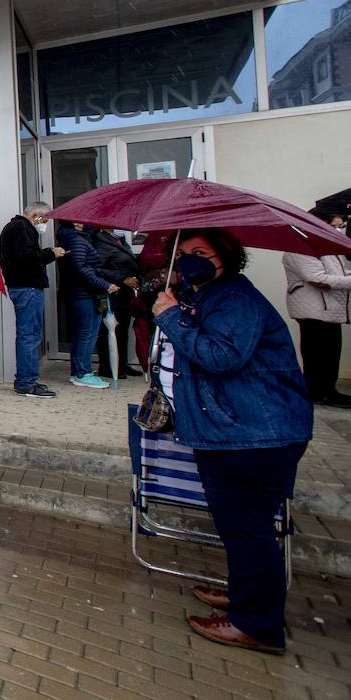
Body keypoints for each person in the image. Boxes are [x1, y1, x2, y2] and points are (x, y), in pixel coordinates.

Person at [151, 229, 313, 655]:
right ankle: (246, 596)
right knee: (239, 527)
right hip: (236, 429)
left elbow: (222, 357)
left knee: (248, 530)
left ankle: (256, 624)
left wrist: (170, 317)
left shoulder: (234, 299)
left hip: (254, 433)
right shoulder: (208, 295)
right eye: (183, 254)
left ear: (226, 256)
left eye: (200, 253)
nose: (189, 261)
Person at [282, 207, 351, 408]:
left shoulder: (325, 246)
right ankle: (318, 392)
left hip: (329, 308)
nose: (338, 231)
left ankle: (328, 390)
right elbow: (317, 278)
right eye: (333, 226)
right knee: (317, 354)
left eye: (341, 227)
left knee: (330, 353)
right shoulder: (300, 247)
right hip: (313, 309)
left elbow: (339, 273)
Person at [0, 202, 66, 397]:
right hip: (27, 287)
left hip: (22, 286)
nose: (44, 223)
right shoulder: (21, 228)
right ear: (35, 215)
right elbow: (26, 258)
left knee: (29, 335)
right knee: (30, 336)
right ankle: (27, 383)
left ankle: (26, 380)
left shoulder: (15, 228)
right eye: (44, 219)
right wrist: (50, 253)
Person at [56, 222, 118, 389]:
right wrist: (104, 284)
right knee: (87, 334)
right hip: (83, 294)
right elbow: (80, 268)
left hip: (81, 293)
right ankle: (82, 373)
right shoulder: (76, 240)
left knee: (83, 334)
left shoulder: (75, 238)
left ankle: (80, 371)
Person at [92, 228, 142, 378]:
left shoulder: (120, 240)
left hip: (124, 293)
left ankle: (122, 363)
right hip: (112, 292)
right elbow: (97, 269)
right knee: (111, 329)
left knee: (123, 330)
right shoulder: (101, 243)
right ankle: (108, 367)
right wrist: (122, 278)